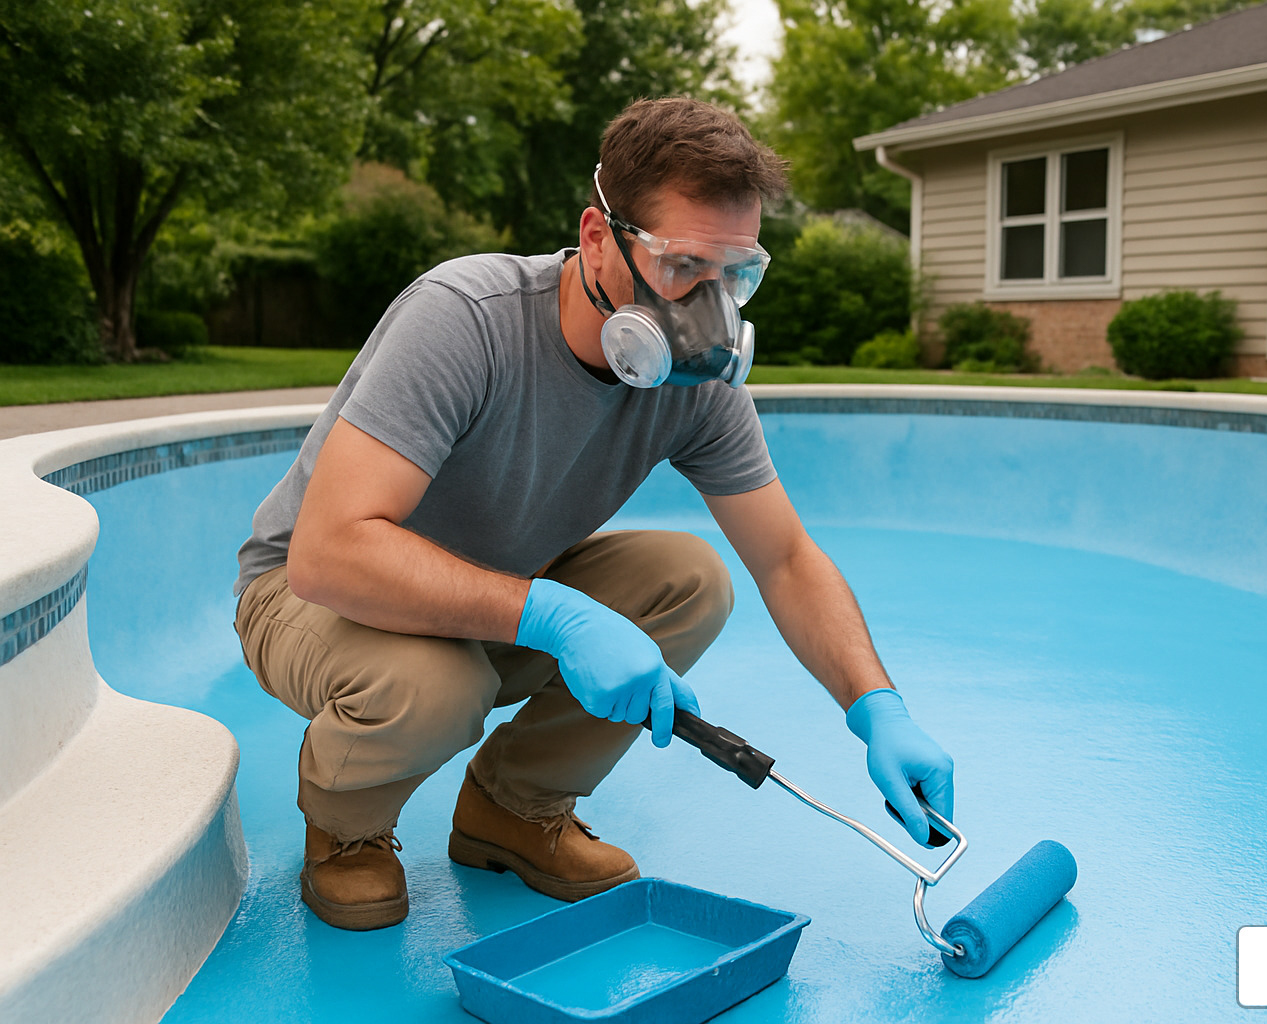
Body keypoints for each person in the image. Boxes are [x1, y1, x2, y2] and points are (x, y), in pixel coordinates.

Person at [232, 97, 955, 931]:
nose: (710, 311)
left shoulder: (699, 389)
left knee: (691, 582)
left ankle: (513, 810)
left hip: (492, 598)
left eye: (736, 275)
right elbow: (329, 554)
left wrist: (877, 708)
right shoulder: (466, 318)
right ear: (601, 236)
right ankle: (346, 830)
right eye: (684, 266)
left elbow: (786, 560)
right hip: (310, 599)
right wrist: (555, 612)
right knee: (436, 684)